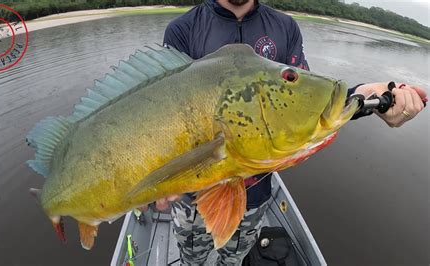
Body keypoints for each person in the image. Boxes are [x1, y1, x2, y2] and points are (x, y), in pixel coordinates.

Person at [148, 0, 427, 264]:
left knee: (233, 259)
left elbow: (306, 106)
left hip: (253, 197)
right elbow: (168, 114)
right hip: (192, 195)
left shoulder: (285, 28)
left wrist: (367, 97)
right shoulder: (183, 30)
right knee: (192, 260)